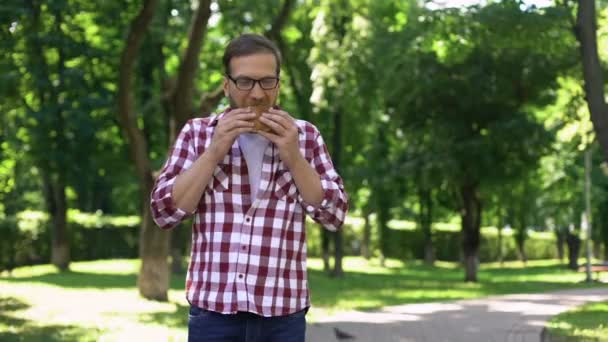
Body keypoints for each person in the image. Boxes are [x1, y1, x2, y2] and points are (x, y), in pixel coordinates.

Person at [150, 33, 348, 342]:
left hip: (283, 314)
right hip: (213, 312)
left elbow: (334, 215)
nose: (257, 94)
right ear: (227, 85)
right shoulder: (197, 133)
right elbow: (164, 212)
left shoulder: (305, 137)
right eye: (245, 82)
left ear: (278, 84)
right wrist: (214, 151)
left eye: (267, 82)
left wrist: (293, 156)